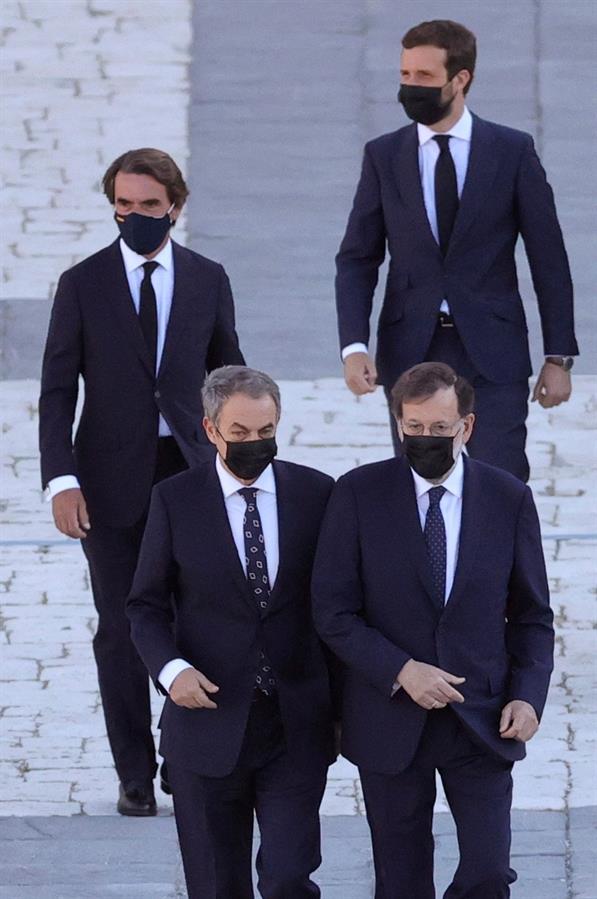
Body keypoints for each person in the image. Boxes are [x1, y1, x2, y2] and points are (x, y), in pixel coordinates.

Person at [39, 148, 244, 816]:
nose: (134, 217)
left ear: (174, 207)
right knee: (121, 625)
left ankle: (185, 756)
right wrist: (60, 480)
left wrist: (244, 465)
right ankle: (134, 771)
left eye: (148, 207)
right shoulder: (83, 283)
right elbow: (55, 391)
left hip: (190, 474)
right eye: (123, 206)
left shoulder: (207, 279)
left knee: (199, 618)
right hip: (106, 480)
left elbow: (229, 377)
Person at [312, 362, 554, 898]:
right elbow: (332, 612)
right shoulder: (357, 494)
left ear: (465, 427)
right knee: (400, 880)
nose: (425, 439)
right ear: (398, 423)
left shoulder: (508, 497)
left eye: (439, 429)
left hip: (482, 719)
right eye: (414, 428)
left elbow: (533, 615)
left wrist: (528, 696)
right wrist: (401, 669)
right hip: (390, 717)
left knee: (489, 871)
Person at [336, 18, 578, 482]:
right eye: (405, 75)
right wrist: (353, 345)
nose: (410, 87)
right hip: (411, 349)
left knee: (500, 482)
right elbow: (357, 258)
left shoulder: (511, 151)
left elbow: (549, 256)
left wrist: (558, 356)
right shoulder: (384, 156)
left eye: (424, 77)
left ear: (460, 79)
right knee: (419, 485)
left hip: (493, 349)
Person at [126, 366, 336, 899]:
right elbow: (145, 606)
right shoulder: (175, 501)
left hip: (294, 724)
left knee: (290, 876)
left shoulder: (316, 494)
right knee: (218, 885)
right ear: (210, 429)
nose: (254, 443)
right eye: (240, 433)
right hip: (206, 723)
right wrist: (172, 673)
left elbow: (340, 603)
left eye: (266, 432)